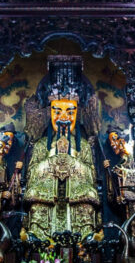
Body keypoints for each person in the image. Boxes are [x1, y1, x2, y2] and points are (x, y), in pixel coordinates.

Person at [23, 55, 102, 241]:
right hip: (47, 197)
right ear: (49, 114)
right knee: (36, 204)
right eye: (57, 111)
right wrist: (52, 157)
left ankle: (85, 240)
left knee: (86, 204)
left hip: (75, 198)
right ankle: (39, 240)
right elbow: (31, 173)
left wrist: (73, 158)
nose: (64, 117)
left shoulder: (82, 145)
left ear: (78, 115)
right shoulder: (42, 144)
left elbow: (91, 175)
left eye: (70, 112)